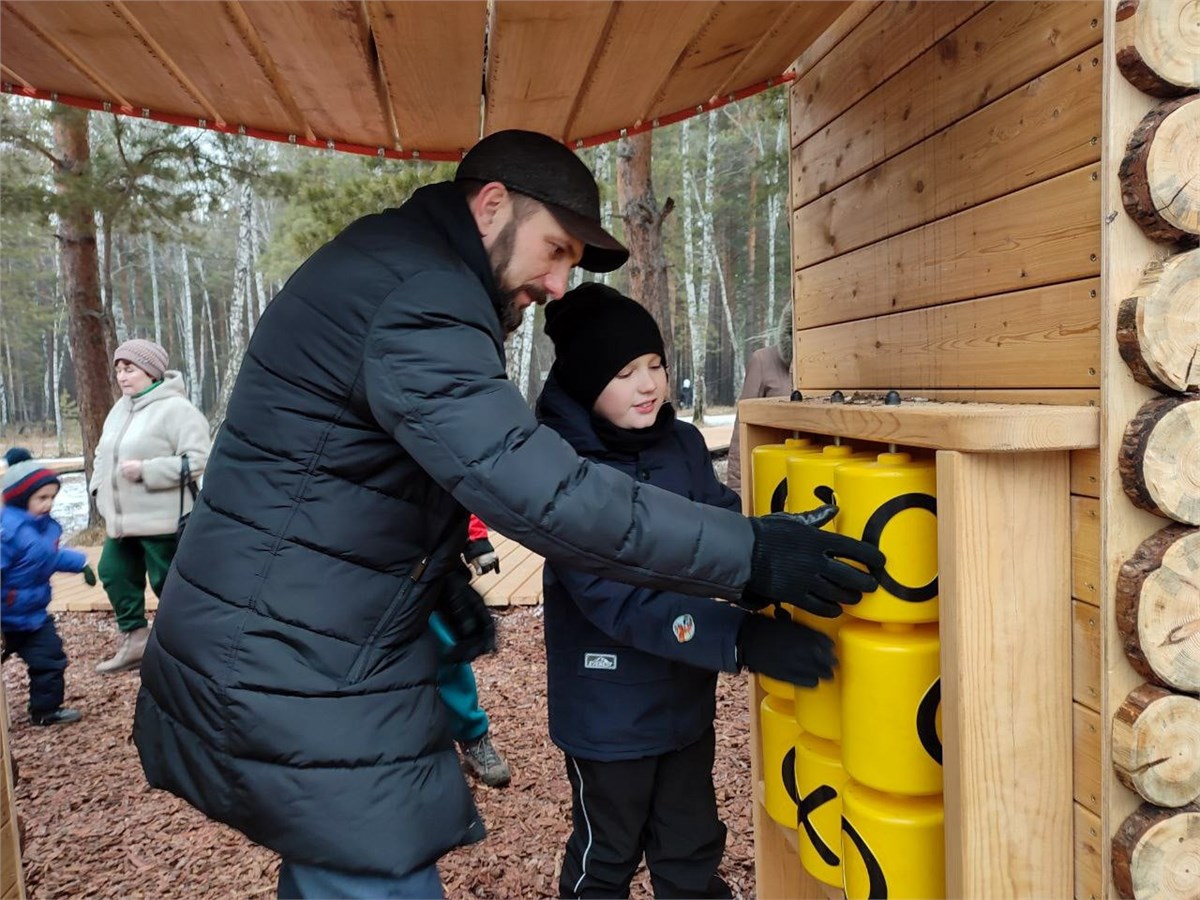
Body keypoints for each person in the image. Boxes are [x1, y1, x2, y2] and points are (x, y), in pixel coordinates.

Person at [132, 128, 883, 898]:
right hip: (288, 654)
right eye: (555, 250)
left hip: (294, 636)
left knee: (347, 864)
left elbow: (357, 466)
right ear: (492, 207)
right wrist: (748, 553)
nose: (560, 283)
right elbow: (544, 494)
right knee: (373, 868)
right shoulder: (420, 295)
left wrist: (430, 575)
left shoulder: (399, 268)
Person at [537, 283, 837, 898]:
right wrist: (743, 640)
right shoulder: (561, 473)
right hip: (608, 713)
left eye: (655, 365)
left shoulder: (682, 445)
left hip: (683, 703)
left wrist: (772, 570)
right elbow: (615, 599)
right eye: (624, 373)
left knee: (691, 848)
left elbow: (722, 531)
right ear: (586, 382)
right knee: (606, 857)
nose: (648, 385)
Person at [90, 339, 211, 674]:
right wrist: (97, 489)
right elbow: (102, 454)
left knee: (168, 585)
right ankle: (136, 642)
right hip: (122, 521)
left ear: (152, 371)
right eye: (118, 370)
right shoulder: (120, 409)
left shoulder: (177, 409)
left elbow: (199, 460)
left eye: (129, 369)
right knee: (114, 573)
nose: (122, 377)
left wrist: (147, 471)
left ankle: (191, 650)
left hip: (162, 520)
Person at [1, 461, 96, 725]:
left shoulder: (44, 527)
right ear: (20, 497)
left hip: (33, 617)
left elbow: (48, 556)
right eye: (41, 497)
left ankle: (45, 711)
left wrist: (80, 563)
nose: (48, 503)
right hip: (4, 619)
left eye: (52, 497)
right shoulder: (7, 532)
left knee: (50, 659)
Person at [434, 515, 510, 788]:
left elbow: (454, 481)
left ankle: (472, 735)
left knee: (448, 649)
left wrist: (475, 540)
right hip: (358, 562)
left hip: (424, 555)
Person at [726, 306, 794, 496]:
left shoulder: (829, 369)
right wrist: (737, 491)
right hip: (771, 480)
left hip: (812, 478)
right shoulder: (763, 360)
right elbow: (742, 431)